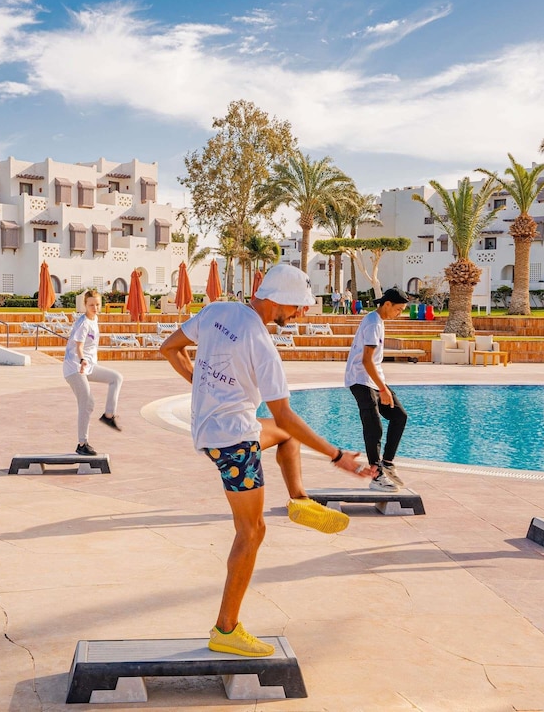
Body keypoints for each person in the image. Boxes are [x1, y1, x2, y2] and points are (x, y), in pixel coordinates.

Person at [160, 264, 373, 658]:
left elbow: (169, 348)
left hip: (212, 429)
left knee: (285, 437)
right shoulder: (262, 344)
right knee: (252, 532)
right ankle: (226, 630)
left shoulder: (217, 311)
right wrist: (337, 456)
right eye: (298, 306)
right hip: (234, 443)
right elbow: (286, 414)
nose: (301, 313)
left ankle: (300, 500)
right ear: (278, 300)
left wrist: (203, 388)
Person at [345, 287, 411, 492]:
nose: (399, 314)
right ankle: (376, 475)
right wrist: (383, 389)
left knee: (399, 416)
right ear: (387, 304)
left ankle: (387, 463)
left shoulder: (378, 321)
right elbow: (366, 360)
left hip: (372, 379)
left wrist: (381, 386)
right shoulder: (373, 323)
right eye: (398, 309)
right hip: (360, 379)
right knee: (374, 426)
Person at [63, 290, 122, 455]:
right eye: (91, 305)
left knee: (116, 378)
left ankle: (108, 416)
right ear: (85, 305)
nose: (95, 308)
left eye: (97, 304)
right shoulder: (83, 323)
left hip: (88, 366)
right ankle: (82, 444)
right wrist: (82, 359)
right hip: (74, 367)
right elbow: (79, 346)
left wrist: (87, 362)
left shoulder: (94, 319)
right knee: (87, 403)